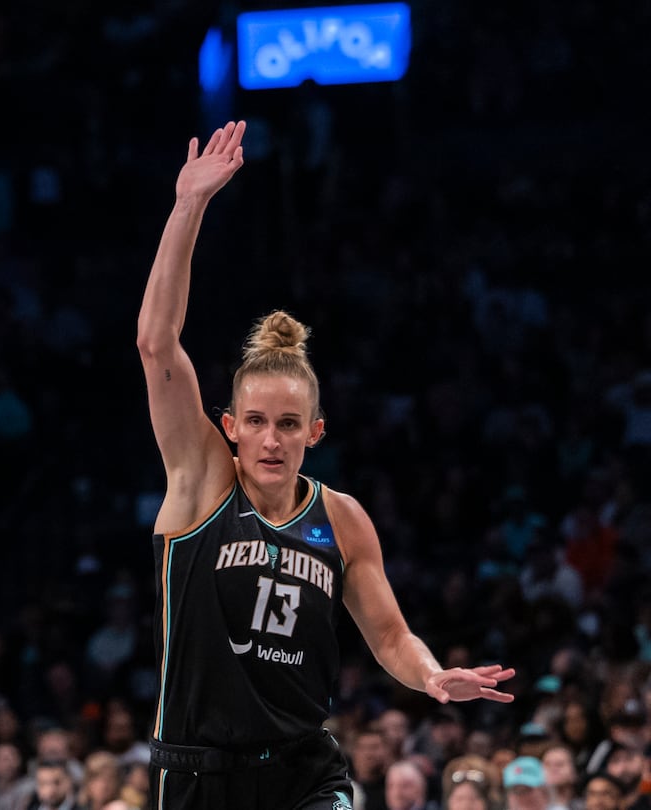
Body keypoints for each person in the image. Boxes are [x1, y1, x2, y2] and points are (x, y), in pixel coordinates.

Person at [132, 119, 517, 810]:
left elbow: (391, 635)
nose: (271, 440)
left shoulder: (340, 519)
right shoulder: (202, 483)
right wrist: (188, 205)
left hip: (305, 771)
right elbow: (157, 344)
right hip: (197, 775)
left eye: (287, 425)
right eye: (255, 422)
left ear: (314, 431)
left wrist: (431, 675)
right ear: (230, 428)